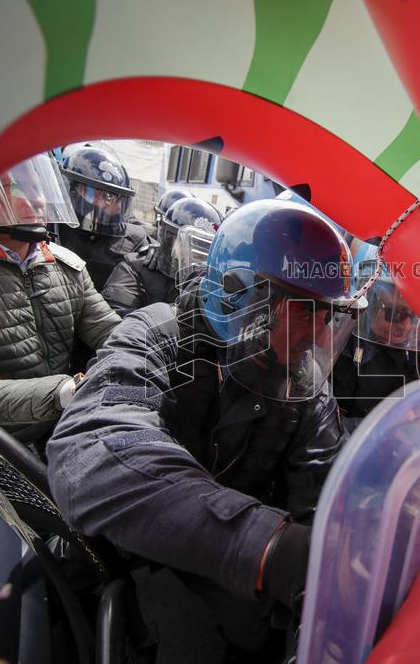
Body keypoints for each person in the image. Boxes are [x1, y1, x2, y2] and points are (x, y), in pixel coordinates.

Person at [47, 199, 366, 657]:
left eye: (329, 316)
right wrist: (269, 546)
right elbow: (95, 453)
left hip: (223, 562)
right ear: (243, 297)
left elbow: (324, 486)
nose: (318, 335)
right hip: (123, 549)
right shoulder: (155, 335)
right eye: (305, 312)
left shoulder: (301, 383)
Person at [0, 153, 120, 434]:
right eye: (14, 186)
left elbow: (112, 333)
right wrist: (65, 392)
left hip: (65, 429)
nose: (36, 199)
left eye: (38, 187)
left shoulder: (66, 265)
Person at [333, 243, 420, 422]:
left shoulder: (418, 360)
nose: (405, 327)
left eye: (412, 317)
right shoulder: (337, 347)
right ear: (368, 303)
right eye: (395, 314)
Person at [101, 196, 220, 314]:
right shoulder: (135, 269)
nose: (195, 252)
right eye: (187, 242)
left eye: (204, 247)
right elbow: (116, 320)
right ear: (169, 239)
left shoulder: (213, 288)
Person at [57, 145, 150, 290]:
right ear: (70, 188)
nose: (102, 204)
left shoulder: (133, 240)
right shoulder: (51, 227)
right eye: (91, 192)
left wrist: (157, 255)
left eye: (110, 196)